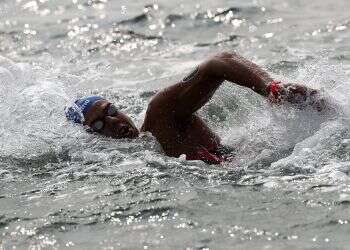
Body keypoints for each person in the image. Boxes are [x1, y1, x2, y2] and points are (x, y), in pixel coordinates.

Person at [65, 51, 325, 164]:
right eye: (99, 124)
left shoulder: (161, 116)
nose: (114, 122)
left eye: (110, 111)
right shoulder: (117, 168)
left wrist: (270, 87)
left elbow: (218, 62)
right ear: (91, 139)